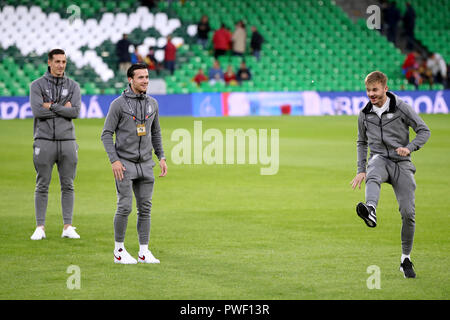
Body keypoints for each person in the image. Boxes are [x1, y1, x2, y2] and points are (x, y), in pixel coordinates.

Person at [351, 71, 430, 279]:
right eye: (368, 90)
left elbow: (424, 130)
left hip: (402, 163)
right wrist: (361, 169)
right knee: (373, 169)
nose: (371, 94)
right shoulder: (364, 114)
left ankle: (405, 259)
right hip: (380, 159)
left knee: (408, 213)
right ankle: (371, 209)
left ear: (385, 88)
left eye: (375, 90)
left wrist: (410, 148)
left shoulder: (402, 107)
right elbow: (361, 142)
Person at [101, 63, 167, 264]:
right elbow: (106, 134)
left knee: (145, 208)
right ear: (130, 80)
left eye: (147, 77)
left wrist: (161, 156)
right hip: (125, 164)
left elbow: (155, 132)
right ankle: (119, 251)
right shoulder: (118, 105)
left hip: (146, 164)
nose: (145, 81)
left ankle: (143, 251)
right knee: (125, 207)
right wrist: (115, 161)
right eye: (141, 77)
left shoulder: (153, 103)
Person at [29, 48, 82, 240]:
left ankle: (67, 226)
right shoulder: (37, 85)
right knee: (42, 184)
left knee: (68, 185)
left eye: (64, 62)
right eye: (57, 61)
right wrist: (62, 108)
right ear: (49, 62)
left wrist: (50, 105)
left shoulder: (74, 86)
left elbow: (75, 112)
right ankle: (40, 227)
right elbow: (37, 111)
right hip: (44, 141)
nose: (61, 65)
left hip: (68, 141)